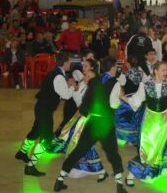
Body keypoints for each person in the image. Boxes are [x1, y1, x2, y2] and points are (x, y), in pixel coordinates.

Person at [53, 57, 127, 193]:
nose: (117, 68)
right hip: (105, 124)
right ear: (112, 67)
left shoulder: (94, 81)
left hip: (92, 122)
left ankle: (60, 179)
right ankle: (119, 186)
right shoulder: (114, 83)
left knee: (78, 151)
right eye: (116, 66)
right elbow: (114, 104)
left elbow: (85, 104)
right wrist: (120, 97)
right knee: (113, 154)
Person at [123, 62, 167, 186]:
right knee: (147, 150)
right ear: (155, 71)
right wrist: (123, 98)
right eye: (163, 70)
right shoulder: (145, 85)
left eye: (166, 70)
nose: (165, 73)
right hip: (149, 122)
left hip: (164, 120)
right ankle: (131, 174)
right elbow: (135, 101)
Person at [15, 53, 76, 176]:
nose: (71, 63)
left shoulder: (56, 72)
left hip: (41, 107)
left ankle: (22, 152)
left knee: (36, 131)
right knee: (47, 139)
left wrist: (67, 86)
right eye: (69, 61)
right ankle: (30, 166)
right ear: (64, 63)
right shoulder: (58, 76)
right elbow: (66, 95)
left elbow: (59, 89)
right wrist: (73, 87)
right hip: (45, 110)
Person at [55, 51, 96, 137]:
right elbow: (80, 87)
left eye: (93, 57)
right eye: (90, 57)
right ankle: (58, 136)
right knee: (67, 121)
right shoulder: (78, 70)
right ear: (84, 59)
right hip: (73, 100)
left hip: (80, 104)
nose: (92, 59)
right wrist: (73, 86)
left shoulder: (90, 75)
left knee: (72, 124)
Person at [116, 57, 147, 146]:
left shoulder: (125, 74)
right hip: (139, 99)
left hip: (128, 100)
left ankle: (125, 138)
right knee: (136, 119)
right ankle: (133, 139)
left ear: (129, 64)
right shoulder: (142, 73)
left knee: (124, 119)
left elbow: (121, 84)